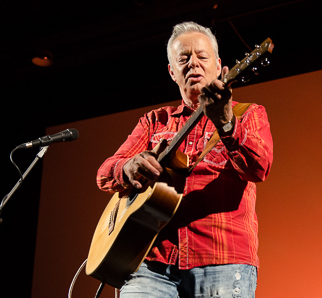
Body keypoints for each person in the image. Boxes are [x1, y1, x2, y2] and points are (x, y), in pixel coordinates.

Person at [96, 21, 273, 298]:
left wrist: (227, 124)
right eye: (183, 59)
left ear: (219, 66)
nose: (193, 64)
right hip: (151, 265)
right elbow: (105, 173)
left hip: (223, 260)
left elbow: (259, 167)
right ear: (172, 72)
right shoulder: (155, 121)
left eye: (202, 57)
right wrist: (129, 167)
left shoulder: (249, 114)